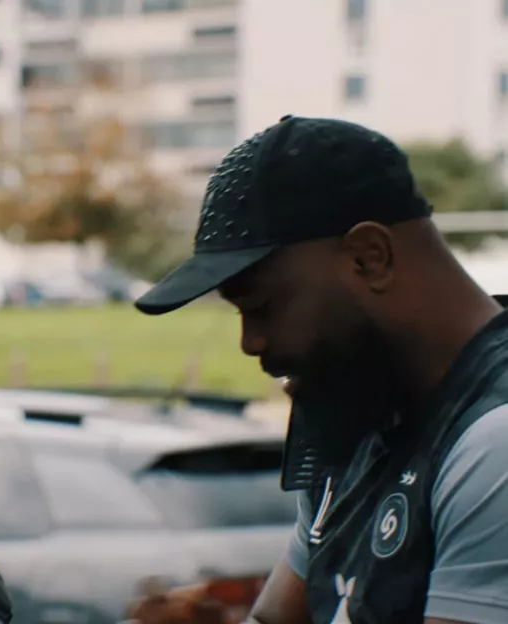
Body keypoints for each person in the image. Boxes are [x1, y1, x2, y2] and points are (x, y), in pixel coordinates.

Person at [127, 115, 508, 624]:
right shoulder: (358, 412)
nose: (250, 343)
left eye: (262, 306)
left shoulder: (494, 438)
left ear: (370, 258)